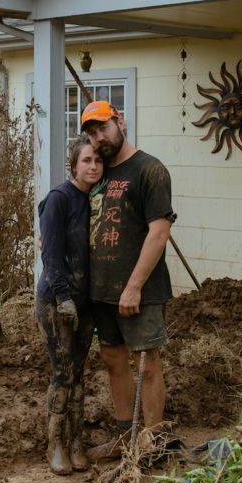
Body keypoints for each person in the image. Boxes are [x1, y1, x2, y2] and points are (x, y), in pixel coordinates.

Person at [80, 101, 176, 459]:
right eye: (91, 132)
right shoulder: (97, 171)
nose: (98, 137)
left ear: (120, 122)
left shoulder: (150, 170)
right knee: (113, 360)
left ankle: (153, 446)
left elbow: (159, 232)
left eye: (103, 127)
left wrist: (134, 285)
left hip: (141, 291)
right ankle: (125, 439)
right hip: (101, 290)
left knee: (147, 362)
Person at [36, 135, 103, 474]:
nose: (93, 166)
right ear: (73, 164)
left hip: (86, 301)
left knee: (79, 373)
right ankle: (55, 445)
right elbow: (49, 254)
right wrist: (63, 298)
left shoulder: (95, 200)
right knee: (62, 373)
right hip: (56, 301)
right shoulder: (59, 199)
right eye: (86, 160)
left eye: (97, 161)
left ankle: (77, 442)